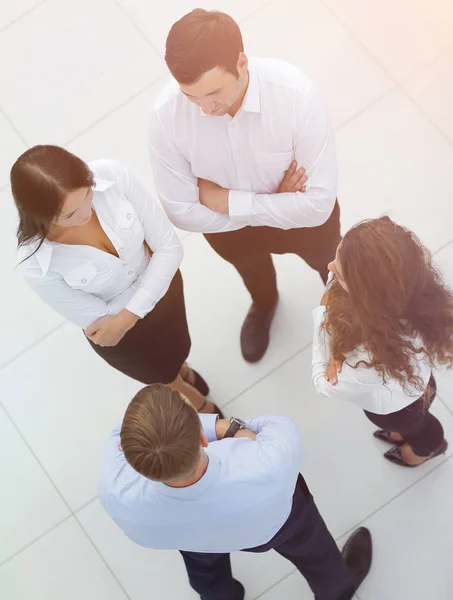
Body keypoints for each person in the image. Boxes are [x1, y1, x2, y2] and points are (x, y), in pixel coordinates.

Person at [149, 9, 340, 363]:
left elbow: (319, 204)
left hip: (303, 226)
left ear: (240, 62)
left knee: (333, 269)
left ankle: (351, 317)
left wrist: (228, 202)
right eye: (192, 96)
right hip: (232, 230)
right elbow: (181, 211)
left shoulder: (296, 95)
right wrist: (274, 202)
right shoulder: (166, 116)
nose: (205, 109)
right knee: (252, 272)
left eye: (214, 93)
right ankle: (265, 304)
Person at [99, 383, 373, 600]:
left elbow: (119, 434)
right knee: (314, 552)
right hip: (280, 524)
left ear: (133, 462)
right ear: (203, 438)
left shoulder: (115, 493)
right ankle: (336, 592)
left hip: (194, 539)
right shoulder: (266, 463)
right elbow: (272, 426)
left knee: (206, 575)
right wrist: (225, 427)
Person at [12, 145, 219, 415]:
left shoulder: (110, 175)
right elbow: (101, 323)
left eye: (87, 193)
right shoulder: (35, 264)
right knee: (160, 374)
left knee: (178, 344)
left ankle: (181, 367)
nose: (86, 212)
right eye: (69, 215)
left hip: (160, 301)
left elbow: (170, 248)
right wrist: (152, 275)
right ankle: (188, 393)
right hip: (129, 340)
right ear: (40, 216)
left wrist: (124, 317)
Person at [311, 216, 453, 467]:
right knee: (415, 421)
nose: (329, 266)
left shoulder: (365, 360)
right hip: (418, 385)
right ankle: (409, 435)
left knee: (419, 428)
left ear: (368, 298)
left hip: (397, 409)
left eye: (341, 274)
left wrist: (322, 321)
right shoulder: (417, 300)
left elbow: (324, 385)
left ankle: (427, 448)